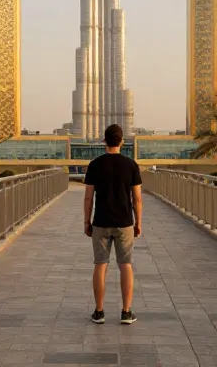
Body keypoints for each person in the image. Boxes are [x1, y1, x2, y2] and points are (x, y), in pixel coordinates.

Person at [83, 123, 142, 325]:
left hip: (100, 222)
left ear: (104, 141)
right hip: (125, 222)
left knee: (100, 265)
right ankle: (126, 312)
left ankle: (99, 312)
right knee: (125, 265)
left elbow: (88, 198)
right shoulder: (131, 165)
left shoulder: (95, 165)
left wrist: (86, 222)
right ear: (122, 141)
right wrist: (138, 222)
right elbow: (137, 199)